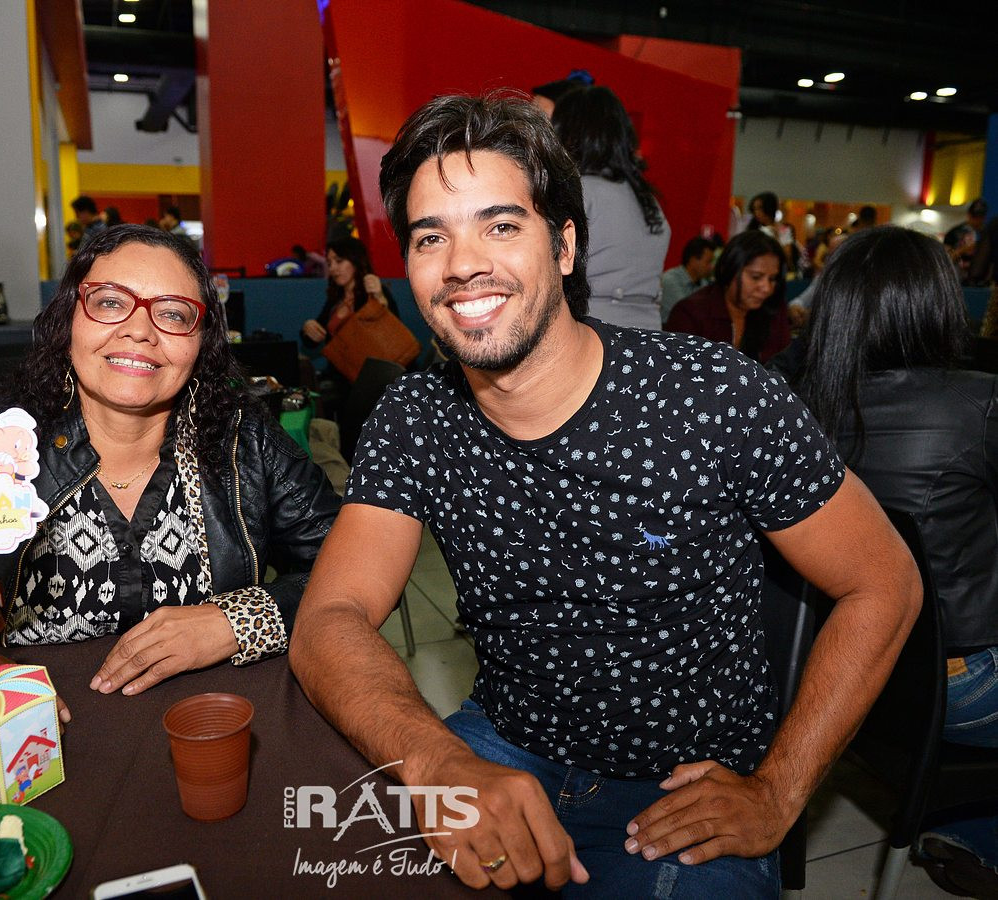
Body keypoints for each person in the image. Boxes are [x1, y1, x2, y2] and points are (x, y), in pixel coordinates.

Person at [288, 93, 919, 897]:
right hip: (499, 745)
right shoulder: (416, 416)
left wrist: (778, 789)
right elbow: (330, 617)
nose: (461, 263)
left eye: (500, 226)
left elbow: (883, 583)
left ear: (563, 246)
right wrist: (437, 760)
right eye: (429, 237)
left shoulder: (713, 395)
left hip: (681, 787)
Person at [0, 224, 339, 708]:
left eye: (173, 313)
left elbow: (351, 568)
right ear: (68, 318)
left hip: (211, 722)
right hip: (32, 743)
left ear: (202, 341)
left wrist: (237, 620)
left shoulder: (244, 439)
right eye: (110, 302)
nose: (140, 330)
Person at [792, 225, 998, 896]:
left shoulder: (797, 406)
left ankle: (970, 831)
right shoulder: (977, 403)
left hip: (845, 674)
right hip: (959, 684)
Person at [552, 86, 670, 330]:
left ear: (567, 133)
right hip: (649, 330)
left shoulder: (580, 193)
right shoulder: (648, 200)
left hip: (592, 331)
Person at [665, 230, 792, 363]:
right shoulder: (690, 314)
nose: (766, 288)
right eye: (756, 277)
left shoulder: (774, 310)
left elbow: (782, 367)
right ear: (729, 270)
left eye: (772, 279)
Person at [300, 235, 399, 349]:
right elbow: (314, 340)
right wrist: (308, 329)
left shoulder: (373, 292)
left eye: (339, 261)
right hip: (338, 360)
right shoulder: (336, 298)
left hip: (372, 359)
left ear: (355, 261)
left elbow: (394, 335)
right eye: (329, 263)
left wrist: (380, 299)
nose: (332, 268)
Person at [659, 235, 714, 323]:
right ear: (693, 260)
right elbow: (687, 312)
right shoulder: (670, 280)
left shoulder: (704, 283)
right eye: (708, 262)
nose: (711, 267)